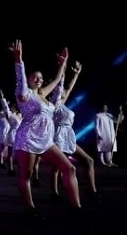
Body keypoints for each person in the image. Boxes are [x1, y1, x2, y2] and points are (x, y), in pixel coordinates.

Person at [9, 40, 82, 220]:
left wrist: (63, 63)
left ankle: (76, 209)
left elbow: (57, 81)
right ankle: (30, 210)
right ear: (29, 80)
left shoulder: (44, 96)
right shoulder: (24, 94)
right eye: (35, 77)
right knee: (26, 175)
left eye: (41, 78)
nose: (39, 80)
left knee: (69, 169)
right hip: (28, 139)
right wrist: (18, 60)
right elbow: (21, 79)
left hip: (46, 140)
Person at [49, 62, 97, 201]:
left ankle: (92, 192)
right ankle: (54, 193)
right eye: (59, 88)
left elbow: (69, 88)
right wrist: (62, 68)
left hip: (68, 137)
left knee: (89, 161)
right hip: (58, 137)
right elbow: (60, 86)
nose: (64, 90)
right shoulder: (52, 104)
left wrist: (76, 74)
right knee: (57, 167)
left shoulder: (62, 103)